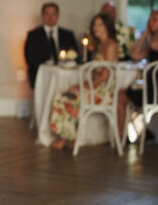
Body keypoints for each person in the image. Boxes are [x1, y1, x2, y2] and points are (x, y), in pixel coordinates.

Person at [49, 12, 118, 149]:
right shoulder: (100, 45)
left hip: (102, 91)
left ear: (107, 27)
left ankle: (68, 137)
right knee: (61, 96)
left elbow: (105, 75)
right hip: (95, 86)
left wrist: (84, 87)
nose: (95, 28)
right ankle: (68, 136)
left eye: (99, 25)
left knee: (65, 99)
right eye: (94, 25)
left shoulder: (110, 45)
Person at [117, 9, 158, 135]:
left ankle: (125, 136)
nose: (150, 23)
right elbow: (135, 55)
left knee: (121, 96)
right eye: (149, 20)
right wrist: (145, 34)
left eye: (154, 20)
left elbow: (153, 45)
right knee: (121, 95)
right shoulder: (151, 40)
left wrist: (148, 34)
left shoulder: (154, 41)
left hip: (155, 91)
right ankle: (135, 135)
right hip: (151, 88)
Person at [24, 2, 78, 89]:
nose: (50, 17)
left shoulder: (67, 35)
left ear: (57, 15)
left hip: (64, 78)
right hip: (42, 77)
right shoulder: (34, 35)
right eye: (47, 13)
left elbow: (75, 54)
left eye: (53, 14)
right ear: (42, 15)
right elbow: (30, 58)